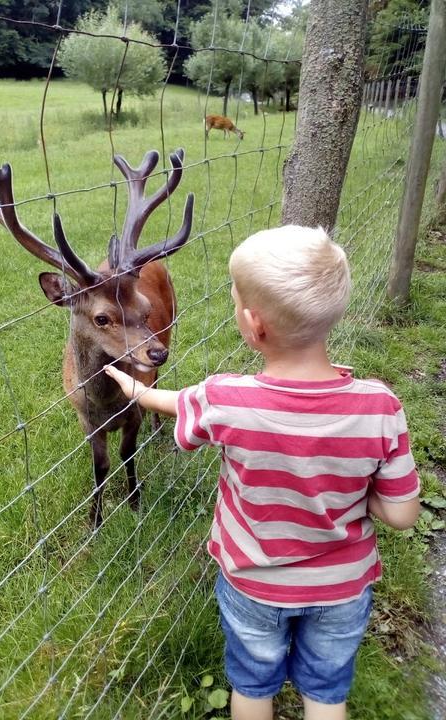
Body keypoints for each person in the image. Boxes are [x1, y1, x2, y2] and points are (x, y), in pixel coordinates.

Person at [104, 225, 420, 720]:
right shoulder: (381, 406)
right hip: (343, 588)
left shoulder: (226, 399)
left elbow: (171, 401)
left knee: (252, 685)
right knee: (326, 692)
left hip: (254, 583)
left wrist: (138, 392)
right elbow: (402, 515)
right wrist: (360, 495)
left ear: (253, 325)